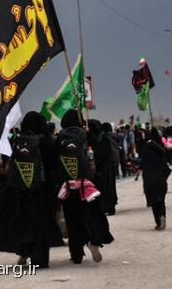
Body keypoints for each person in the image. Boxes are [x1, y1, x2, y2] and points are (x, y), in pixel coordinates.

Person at [0, 111, 63, 268]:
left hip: (21, 191)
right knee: (42, 223)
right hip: (43, 191)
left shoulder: (18, 141)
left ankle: (25, 251)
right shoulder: (46, 142)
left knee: (24, 222)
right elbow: (54, 165)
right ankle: (41, 259)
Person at [56, 110, 114, 264]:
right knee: (90, 215)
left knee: (72, 219)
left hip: (67, 186)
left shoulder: (60, 136)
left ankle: (76, 254)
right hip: (86, 185)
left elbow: (56, 161)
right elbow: (98, 153)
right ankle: (92, 241)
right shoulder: (85, 134)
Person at [137, 128, 171, 230]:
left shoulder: (145, 149)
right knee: (161, 201)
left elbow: (142, 162)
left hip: (150, 178)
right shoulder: (161, 149)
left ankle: (158, 221)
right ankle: (162, 216)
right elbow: (166, 166)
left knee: (154, 201)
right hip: (160, 178)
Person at [93, 122, 119, 216]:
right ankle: (112, 205)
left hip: (106, 167)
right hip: (113, 164)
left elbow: (103, 153)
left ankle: (109, 207)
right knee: (111, 186)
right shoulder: (115, 136)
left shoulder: (103, 138)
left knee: (107, 187)